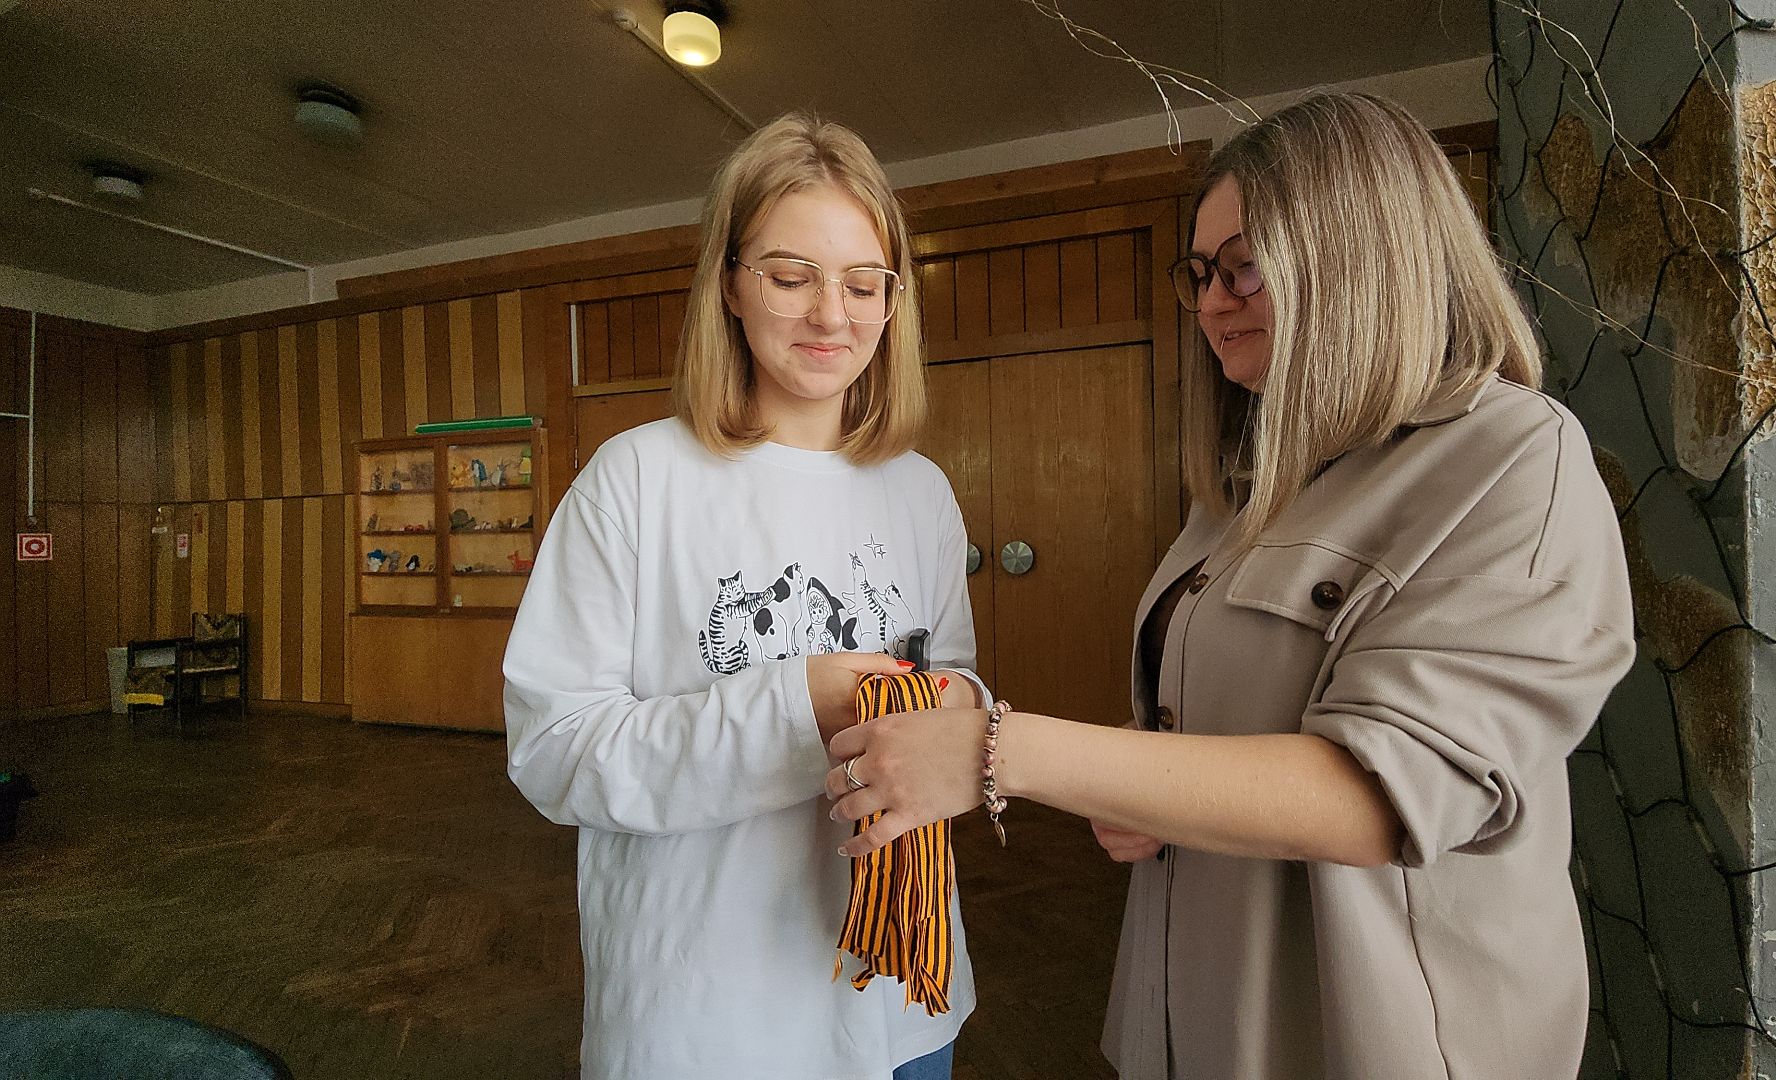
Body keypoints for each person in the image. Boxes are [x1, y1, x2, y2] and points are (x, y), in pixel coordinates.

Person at [822, 92, 1636, 1079]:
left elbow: (1380, 796)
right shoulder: (1248, 483)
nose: (1213, 299)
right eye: (1200, 271)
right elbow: (1227, 727)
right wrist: (1141, 783)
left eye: (1246, 265)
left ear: (1362, 255)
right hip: (1191, 1021)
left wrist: (1002, 749)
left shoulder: (1513, 459)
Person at [503, 113, 986, 1080]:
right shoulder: (635, 477)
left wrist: (964, 717)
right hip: (705, 1021)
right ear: (729, 282)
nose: (830, 315)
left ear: (894, 302)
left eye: (862, 284)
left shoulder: (920, 489)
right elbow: (555, 751)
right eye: (791, 274)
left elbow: (954, 682)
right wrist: (795, 705)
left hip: (898, 1000)